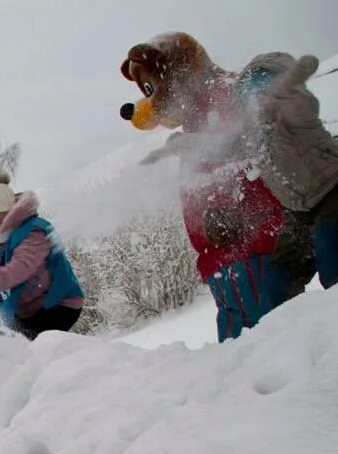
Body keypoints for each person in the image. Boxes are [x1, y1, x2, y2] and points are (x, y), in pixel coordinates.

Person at [122, 32, 289, 342]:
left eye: (152, 87)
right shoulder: (198, 115)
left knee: (263, 343)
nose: (152, 101)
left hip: (250, 251)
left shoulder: (225, 95)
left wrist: (230, 215)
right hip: (225, 256)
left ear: (178, 73)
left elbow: (251, 150)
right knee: (242, 344)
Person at [237, 52, 338, 291]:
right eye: (249, 94)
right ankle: (286, 327)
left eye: (262, 89)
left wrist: (287, 89)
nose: (257, 100)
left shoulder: (293, 112)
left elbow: (303, 105)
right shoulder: (253, 134)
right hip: (301, 207)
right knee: (278, 274)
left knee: (329, 241)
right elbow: (219, 144)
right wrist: (183, 144)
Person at [0, 170, 85, 339]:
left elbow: (23, 265)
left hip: (57, 305)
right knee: (5, 340)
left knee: (25, 345)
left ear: (7, 211)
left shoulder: (34, 231)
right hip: (25, 310)